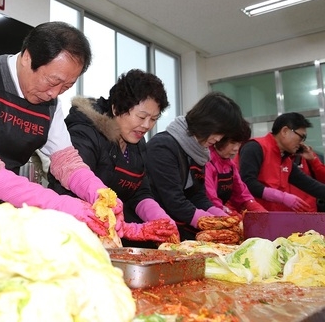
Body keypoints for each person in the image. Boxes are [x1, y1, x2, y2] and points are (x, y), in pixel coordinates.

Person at [0, 22, 173, 246]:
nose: (55, 93)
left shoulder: (51, 103)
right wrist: (64, 206)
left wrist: (100, 193)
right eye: (53, 81)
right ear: (27, 56)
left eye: (66, 85)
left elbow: (66, 162)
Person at [46, 69, 179, 247]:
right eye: (141, 117)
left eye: (154, 119)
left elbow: (140, 191)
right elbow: (72, 192)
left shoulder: (137, 144)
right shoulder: (85, 133)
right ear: (116, 108)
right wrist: (132, 230)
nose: (146, 125)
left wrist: (160, 219)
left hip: (116, 236)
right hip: (76, 236)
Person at [144, 92, 248, 241]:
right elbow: (174, 200)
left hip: (183, 229)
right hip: (158, 230)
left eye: (223, 135)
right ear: (207, 122)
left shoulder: (199, 151)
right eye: (218, 132)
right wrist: (210, 222)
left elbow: (198, 195)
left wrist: (221, 217)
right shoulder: (163, 147)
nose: (218, 139)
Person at [238, 112, 325, 212]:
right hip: (250, 216)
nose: (301, 142)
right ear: (285, 131)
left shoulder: (285, 159)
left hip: (271, 218)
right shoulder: (255, 147)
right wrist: (281, 197)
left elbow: (311, 185)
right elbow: (246, 183)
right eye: (301, 137)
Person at [204, 120, 267, 216]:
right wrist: (232, 217)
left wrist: (260, 211)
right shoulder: (206, 162)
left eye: (239, 143)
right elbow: (210, 199)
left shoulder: (230, 165)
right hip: (204, 219)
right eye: (233, 143)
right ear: (219, 139)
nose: (236, 148)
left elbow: (242, 194)